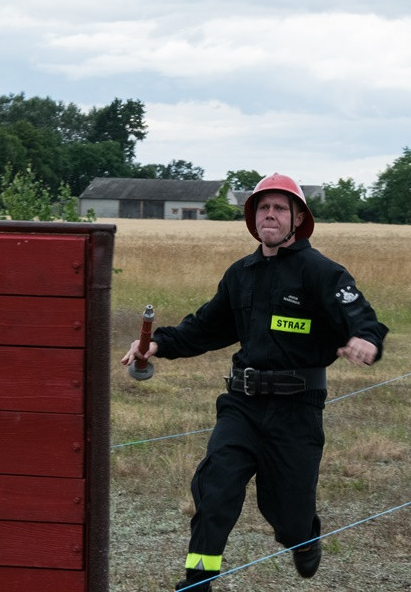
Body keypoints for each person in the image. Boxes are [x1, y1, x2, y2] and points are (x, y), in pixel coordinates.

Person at [121, 172, 388, 592]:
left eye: (280, 208)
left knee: (287, 512)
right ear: (253, 217)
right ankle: (198, 581)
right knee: (215, 487)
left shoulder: (321, 271)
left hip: (297, 409)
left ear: (297, 219)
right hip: (242, 404)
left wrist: (365, 340)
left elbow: (361, 317)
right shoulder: (240, 273)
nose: (271, 215)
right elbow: (206, 326)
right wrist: (158, 345)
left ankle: (302, 538)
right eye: (263, 207)